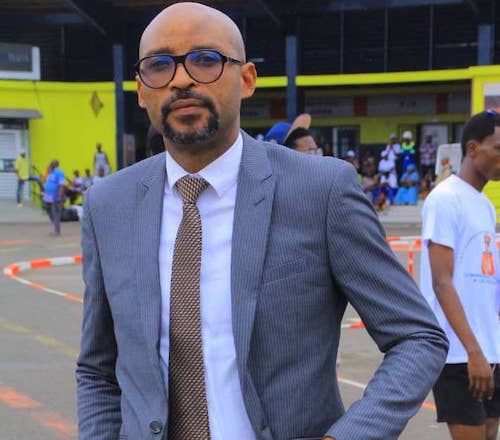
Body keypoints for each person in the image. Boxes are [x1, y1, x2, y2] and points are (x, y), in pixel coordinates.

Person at [76, 3, 448, 440]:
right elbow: (98, 371)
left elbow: (417, 337)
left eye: (205, 60)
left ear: (247, 79)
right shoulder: (108, 205)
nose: (181, 79)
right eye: (160, 65)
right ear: (141, 91)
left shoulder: (321, 191)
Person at [420, 110, 500, 440]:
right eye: (498, 148)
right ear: (472, 148)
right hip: (459, 353)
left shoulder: (486, 206)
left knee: (490, 433)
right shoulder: (445, 199)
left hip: (490, 349)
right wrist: (473, 351)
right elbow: (442, 282)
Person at [42, 160, 65, 236]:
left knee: (56, 213)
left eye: (52, 164)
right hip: (47, 196)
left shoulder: (59, 172)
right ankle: (55, 223)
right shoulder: (50, 173)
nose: (50, 165)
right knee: (47, 209)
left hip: (55, 196)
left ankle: (56, 231)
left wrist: (59, 196)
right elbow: (45, 181)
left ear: (55, 165)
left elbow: (61, 185)